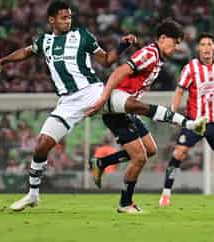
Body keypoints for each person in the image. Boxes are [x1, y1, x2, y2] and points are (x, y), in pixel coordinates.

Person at [0, 0, 137, 211]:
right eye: (63, 17)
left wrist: (123, 46)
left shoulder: (82, 35)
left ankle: (180, 121)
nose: (68, 21)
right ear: (52, 20)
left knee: (131, 104)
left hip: (93, 92)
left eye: (70, 17)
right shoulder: (45, 41)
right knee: (42, 144)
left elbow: (106, 60)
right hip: (67, 102)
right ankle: (32, 195)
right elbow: (24, 52)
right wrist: (4, 61)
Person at [86, 19, 207, 213]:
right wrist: (104, 98)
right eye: (175, 42)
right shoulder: (150, 54)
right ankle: (125, 203)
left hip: (129, 108)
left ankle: (101, 163)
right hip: (117, 108)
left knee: (151, 150)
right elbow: (119, 71)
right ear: (162, 38)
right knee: (139, 157)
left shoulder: (158, 58)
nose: (177, 47)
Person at [158, 33, 214, 207]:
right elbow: (180, 90)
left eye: (209, 44)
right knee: (179, 152)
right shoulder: (190, 68)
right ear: (198, 48)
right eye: (202, 44)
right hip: (194, 122)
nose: (206, 48)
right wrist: (173, 112)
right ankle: (166, 195)